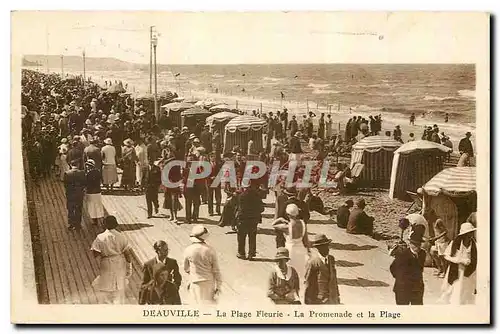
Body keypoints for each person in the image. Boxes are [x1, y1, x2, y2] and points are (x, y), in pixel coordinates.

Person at [91, 216, 133, 304]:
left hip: (106, 263)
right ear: (116, 225)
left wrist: (105, 252)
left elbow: (95, 254)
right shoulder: (121, 237)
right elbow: (127, 255)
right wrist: (129, 268)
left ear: (104, 225)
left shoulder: (100, 237)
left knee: (105, 286)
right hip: (119, 262)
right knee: (119, 286)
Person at [272, 204, 310, 295]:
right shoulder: (303, 223)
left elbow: (273, 224)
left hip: (291, 249)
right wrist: (308, 250)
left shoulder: (287, 227)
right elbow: (306, 240)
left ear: (288, 214)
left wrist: (280, 219)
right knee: (301, 272)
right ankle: (301, 292)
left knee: (290, 273)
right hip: (301, 249)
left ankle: (290, 292)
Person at [183, 225, 222, 305]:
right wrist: (218, 286)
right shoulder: (210, 250)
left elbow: (186, 268)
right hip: (209, 282)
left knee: (196, 305)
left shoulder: (188, 250)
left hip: (195, 281)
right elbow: (216, 270)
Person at [440, 221, 477, 305]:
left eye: (471, 233)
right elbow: (446, 255)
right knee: (455, 290)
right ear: (464, 234)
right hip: (457, 270)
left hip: (468, 272)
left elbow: (475, 259)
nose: (470, 235)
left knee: (466, 291)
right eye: (468, 233)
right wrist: (459, 260)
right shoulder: (455, 243)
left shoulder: (474, 244)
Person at [389, 226, 426, 305]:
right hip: (403, 289)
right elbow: (393, 268)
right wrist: (401, 279)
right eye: (415, 244)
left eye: (419, 244)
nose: (417, 247)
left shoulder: (423, 254)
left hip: (417, 289)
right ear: (410, 243)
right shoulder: (402, 254)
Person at [139, 241, 182, 305]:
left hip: (169, 296)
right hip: (154, 296)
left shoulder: (172, 262)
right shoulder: (148, 264)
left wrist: (174, 288)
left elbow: (177, 278)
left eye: (167, 250)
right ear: (157, 251)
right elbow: (144, 283)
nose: (166, 252)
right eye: (164, 250)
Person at [304, 234, 341, 304]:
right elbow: (308, 282)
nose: (327, 249)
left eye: (327, 246)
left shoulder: (331, 259)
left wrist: (337, 295)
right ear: (318, 248)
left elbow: (334, 279)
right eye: (323, 247)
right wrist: (309, 301)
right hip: (319, 299)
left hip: (332, 298)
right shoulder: (313, 262)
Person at [236, 181, 265, 260]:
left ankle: (241, 253)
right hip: (253, 220)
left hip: (243, 219)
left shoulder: (241, 196)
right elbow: (262, 208)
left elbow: (239, 208)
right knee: (252, 237)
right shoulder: (257, 195)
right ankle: (251, 254)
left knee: (241, 237)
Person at [63, 159, 86, 231]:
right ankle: (78, 225)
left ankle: (71, 224)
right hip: (79, 194)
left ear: (70, 165)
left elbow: (65, 185)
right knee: (78, 209)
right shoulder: (82, 173)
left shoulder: (67, 173)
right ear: (78, 165)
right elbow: (84, 183)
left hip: (70, 194)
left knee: (70, 209)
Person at [85, 159, 104, 226]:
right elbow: (102, 181)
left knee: (92, 206)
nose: (87, 167)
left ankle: (94, 220)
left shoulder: (88, 174)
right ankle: (101, 219)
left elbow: (86, 183)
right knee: (98, 205)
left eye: (88, 165)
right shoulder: (98, 172)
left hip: (90, 192)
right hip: (98, 191)